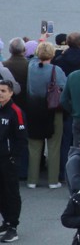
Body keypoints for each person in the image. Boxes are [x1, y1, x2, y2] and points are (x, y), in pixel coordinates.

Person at [25, 41, 67, 189]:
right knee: (54, 146)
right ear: (53, 54)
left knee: (34, 145)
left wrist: (42, 38)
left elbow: (34, 58)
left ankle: (32, 180)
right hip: (52, 110)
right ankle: (52, 180)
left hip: (33, 110)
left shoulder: (31, 67)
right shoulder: (57, 70)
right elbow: (64, 88)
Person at [0, 80, 24, 243]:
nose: (0, 94)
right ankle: (6, 221)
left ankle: (13, 226)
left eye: (3, 91)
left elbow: (21, 138)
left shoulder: (15, 111)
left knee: (11, 193)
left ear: (10, 93)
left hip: (8, 159)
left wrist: (14, 157)